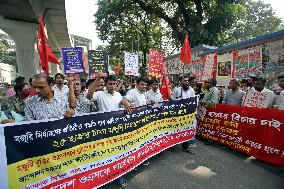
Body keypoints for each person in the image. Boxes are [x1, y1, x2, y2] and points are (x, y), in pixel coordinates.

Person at [86, 73, 130, 188]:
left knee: (117, 154)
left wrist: (125, 102)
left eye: (114, 84)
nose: (112, 86)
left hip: (117, 130)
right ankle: (103, 177)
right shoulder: (100, 94)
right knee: (105, 155)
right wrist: (97, 79)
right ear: (105, 85)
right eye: (110, 84)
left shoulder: (118, 95)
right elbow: (89, 96)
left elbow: (123, 101)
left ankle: (118, 176)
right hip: (103, 131)